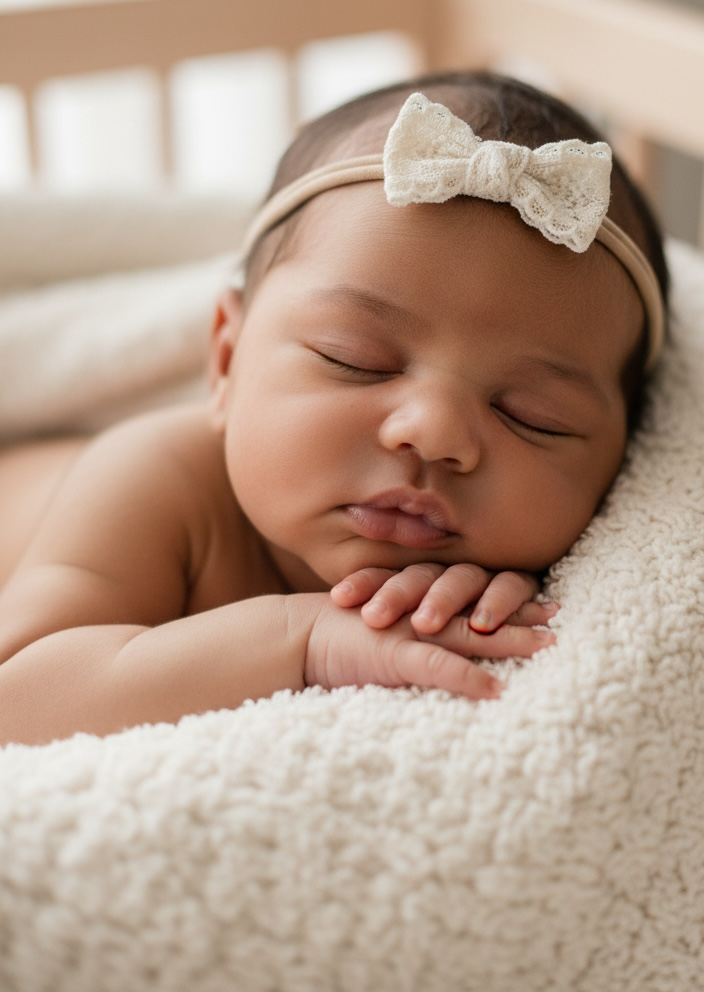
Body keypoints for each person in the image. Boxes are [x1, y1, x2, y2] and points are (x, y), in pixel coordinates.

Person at [0, 72, 668, 747]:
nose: (434, 434)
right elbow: (18, 695)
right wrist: (304, 636)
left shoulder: (523, 571)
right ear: (227, 361)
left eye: (532, 416)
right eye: (356, 359)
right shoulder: (157, 480)